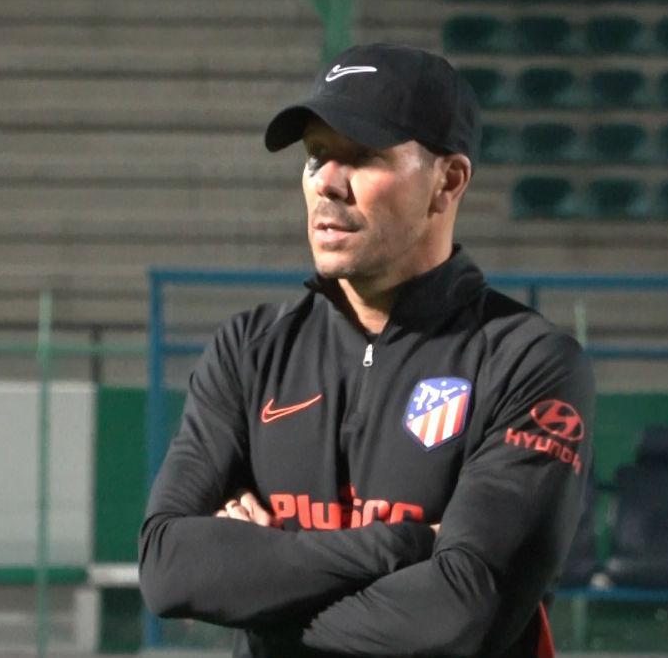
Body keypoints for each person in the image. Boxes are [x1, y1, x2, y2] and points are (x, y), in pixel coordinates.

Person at [137, 43, 595, 658]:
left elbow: (457, 616)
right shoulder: (249, 350)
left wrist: (259, 589)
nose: (327, 181)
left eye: (361, 156)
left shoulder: (528, 364)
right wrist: (406, 544)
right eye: (316, 156)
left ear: (447, 182)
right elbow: (169, 568)